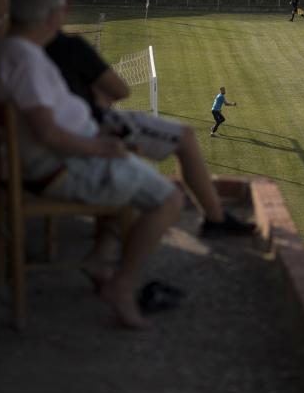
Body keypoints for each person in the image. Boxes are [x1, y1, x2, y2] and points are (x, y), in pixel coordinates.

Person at [0, 0, 181, 330]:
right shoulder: (25, 60)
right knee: (170, 199)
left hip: (67, 156)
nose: (65, 14)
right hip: (64, 167)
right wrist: (99, 147)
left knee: (138, 159)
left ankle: (99, 260)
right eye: (63, 8)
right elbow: (48, 134)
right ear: (51, 14)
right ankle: (121, 286)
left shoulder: (12, 50)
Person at [46, 25, 254, 240]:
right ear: (61, 8)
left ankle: (105, 250)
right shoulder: (68, 48)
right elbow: (119, 91)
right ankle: (214, 218)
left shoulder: (18, 54)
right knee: (183, 141)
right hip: (83, 141)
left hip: (40, 164)